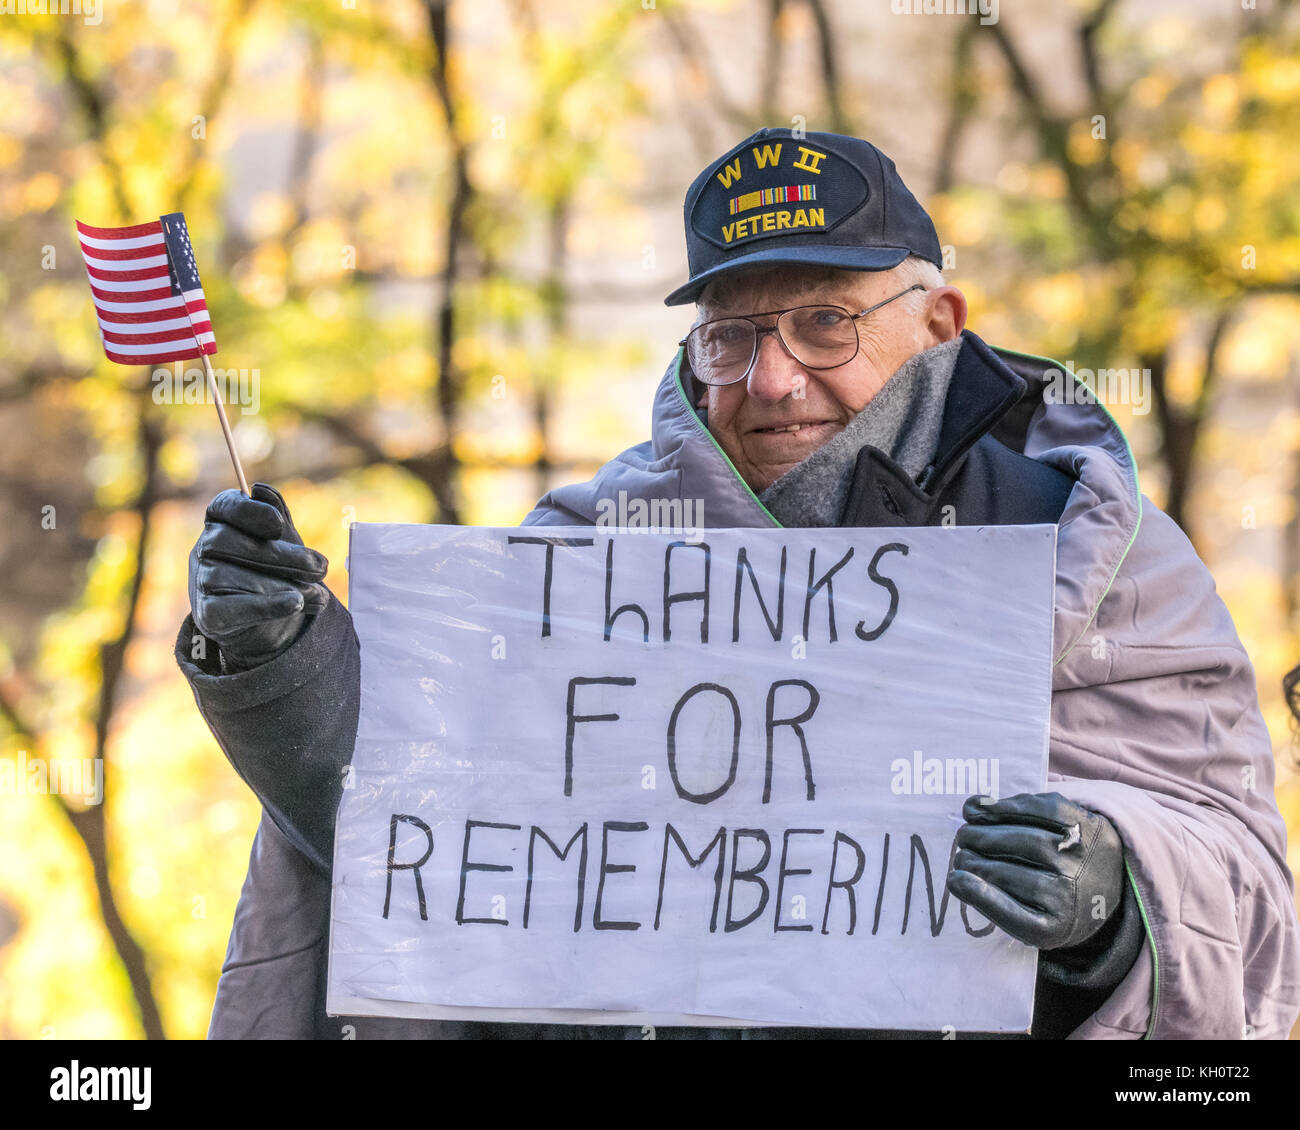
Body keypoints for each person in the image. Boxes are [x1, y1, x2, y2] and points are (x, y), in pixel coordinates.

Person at [177, 127, 1300, 1039]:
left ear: (939, 328)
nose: (771, 378)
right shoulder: (580, 554)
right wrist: (280, 659)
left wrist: (1110, 892)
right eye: (731, 337)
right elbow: (407, 836)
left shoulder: (1090, 547)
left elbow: (1244, 881)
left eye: (824, 321)